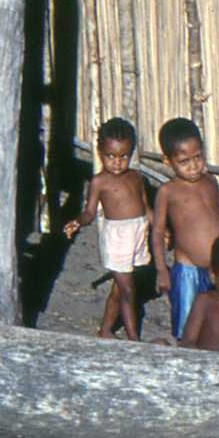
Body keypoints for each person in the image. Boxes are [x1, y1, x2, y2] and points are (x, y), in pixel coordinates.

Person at [61, 117, 149, 340]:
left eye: (123, 156)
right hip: (117, 238)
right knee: (128, 291)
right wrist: (78, 221)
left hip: (138, 233)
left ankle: (105, 331)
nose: (117, 162)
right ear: (100, 153)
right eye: (111, 156)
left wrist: (163, 229)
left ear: (132, 153)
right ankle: (134, 339)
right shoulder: (99, 182)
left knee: (119, 290)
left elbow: (146, 208)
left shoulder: (137, 178)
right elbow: (90, 212)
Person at [150, 117, 219, 342]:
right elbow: (157, 232)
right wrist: (162, 270)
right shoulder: (168, 191)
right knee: (186, 326)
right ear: (168, 161)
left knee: (216, 323)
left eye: (197, 157)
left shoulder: (210, 182)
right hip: (188, 270)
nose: (193, 166)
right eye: (184, 161)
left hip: (217, 266)